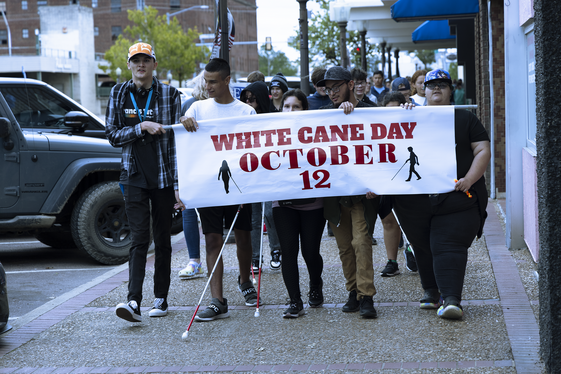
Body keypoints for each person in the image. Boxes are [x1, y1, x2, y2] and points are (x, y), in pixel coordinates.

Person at [391, 69, 490, 319]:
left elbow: (482, 150)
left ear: (450, 90)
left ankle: (452, 299)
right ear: (422, 89)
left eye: (442, 85)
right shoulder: (408, 117)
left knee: (448, 246)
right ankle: (431, 291)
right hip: (416, 200)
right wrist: (397, 118)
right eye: (431, 84)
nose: (436, 88)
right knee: (423, 245)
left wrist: (469, 179)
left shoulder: (466, 119)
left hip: (456, 199)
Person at [179, 58, 259, 321]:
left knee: (243, 236)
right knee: (213, 239)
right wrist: (184, 121)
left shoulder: (246, 112)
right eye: (206, 80)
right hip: (208, 186)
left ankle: (245, 280)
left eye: (213, 81)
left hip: (239, 186)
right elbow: (185, 143)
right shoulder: (197, 109)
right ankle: (217, 300)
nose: (208, 86)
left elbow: (255, 150)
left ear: (227, 81)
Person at [106, 42, 182, 322]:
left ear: (154, 64)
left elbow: (176, 140)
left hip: (162, 177)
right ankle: (133, 301)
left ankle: (160, 298)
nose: (141, 64)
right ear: (129, 65)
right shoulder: (118, 93)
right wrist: (140, 127)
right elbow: (112, 135)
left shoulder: (169, 94)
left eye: (146, 60)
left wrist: (178, 182)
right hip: (133, 176)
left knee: (163, 239)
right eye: (135, 60)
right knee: (139, 239)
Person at [318, 66, 379, 319]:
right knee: (344, 246)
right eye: (328, 88)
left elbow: (384, 150)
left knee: (361, 242)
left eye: (337, 87)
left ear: (351, 85)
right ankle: (353, 291)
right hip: (335, 195)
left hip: (363, 196)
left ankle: (366, 296)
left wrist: (378, 183)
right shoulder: (321, 115)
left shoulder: (372, 112)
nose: (332, 93)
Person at [272, 89, 326, 318]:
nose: (290, 111)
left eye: (296, 106)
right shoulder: (271, 131)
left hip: (313, 203)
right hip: (283, 203)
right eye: (286, 106)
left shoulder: (316, 131)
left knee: (310, 252)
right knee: (289, 252)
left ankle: (316, 284)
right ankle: (295, 300)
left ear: (305, 109)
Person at [239, 81, 283, 271]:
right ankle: (255, 257)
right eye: (246, 99)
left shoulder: (272, 118)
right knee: (255, 217)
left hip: (270, 173)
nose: (249, 103)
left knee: (270, 213)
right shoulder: (240, 119)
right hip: (251, 174)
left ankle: (276, 250)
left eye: (253, 99)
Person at [377, 92, 418, 277]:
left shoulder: (413, 121)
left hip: (408, 182)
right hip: (385, 179)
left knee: (410, 219)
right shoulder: (376, 128)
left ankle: (413, 249)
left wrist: (412, 112)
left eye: (396, 109)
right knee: (388, 221)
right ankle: (392, 262)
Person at [178, 71, 209, 280]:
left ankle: (197, 260)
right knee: (188, 210)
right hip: (192, 164)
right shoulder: (190, 104)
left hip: (210, 165)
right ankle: (194, 260)